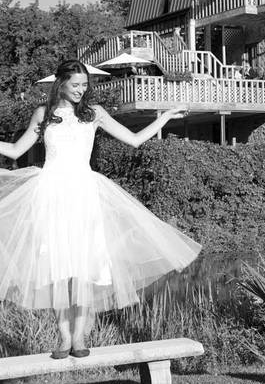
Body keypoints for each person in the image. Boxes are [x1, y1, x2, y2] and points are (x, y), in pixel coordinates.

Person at [0, 60, 202, 359]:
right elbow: (16, 150)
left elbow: (133, 140)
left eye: (84, 85)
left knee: (85, 265)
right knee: (57, 266)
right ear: (61, 83)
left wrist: (165, 118)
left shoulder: (95, 114)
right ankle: (63, 338)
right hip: (51, 194)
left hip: (84, 192)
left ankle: (80, 338)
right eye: (76, 84)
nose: (82, 90)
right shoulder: (44, 114)